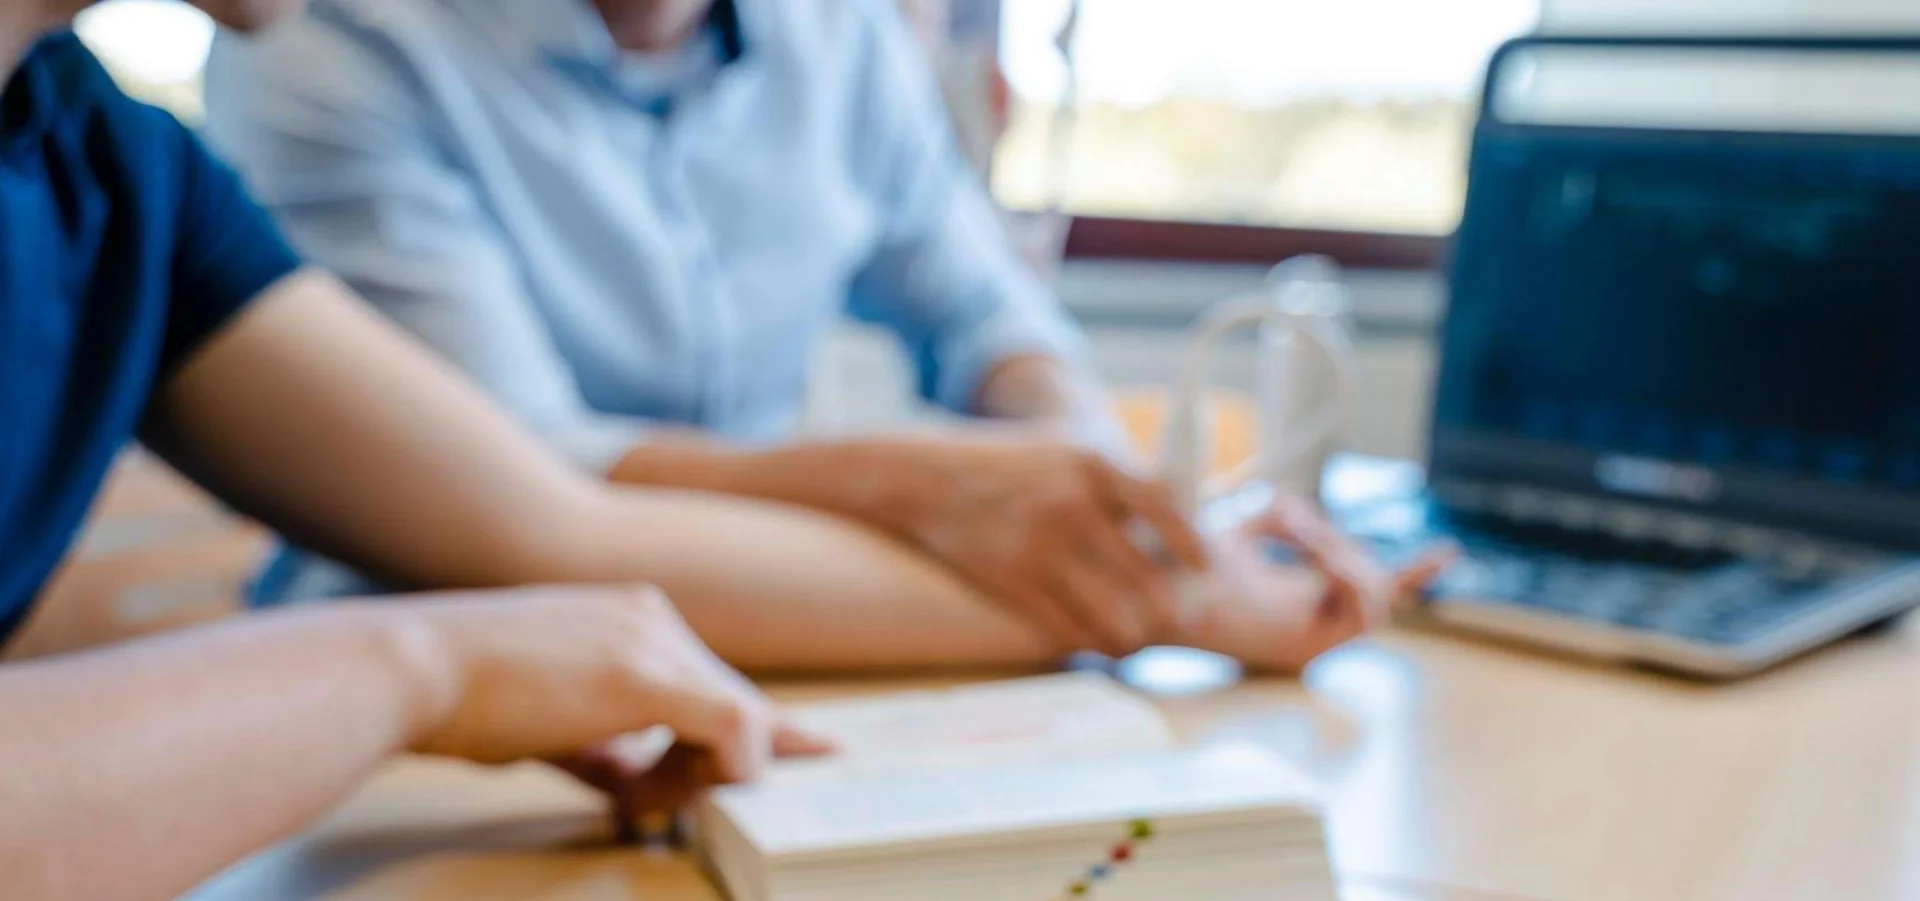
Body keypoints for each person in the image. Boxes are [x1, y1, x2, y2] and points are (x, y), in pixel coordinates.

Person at [0, 0, 1438, 901]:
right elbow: (535, 525)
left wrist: (1169, 578)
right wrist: (432, 657)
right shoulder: (338, 52)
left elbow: (558, 534)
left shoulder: (113, 161)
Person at [202, 0, 1206, 655]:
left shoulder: (842, 36)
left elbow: (985, 314)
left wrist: (1085, 472)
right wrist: (930, 487)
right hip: (432, 650)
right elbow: (511, 481)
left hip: (775, 618)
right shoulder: (331, 36)